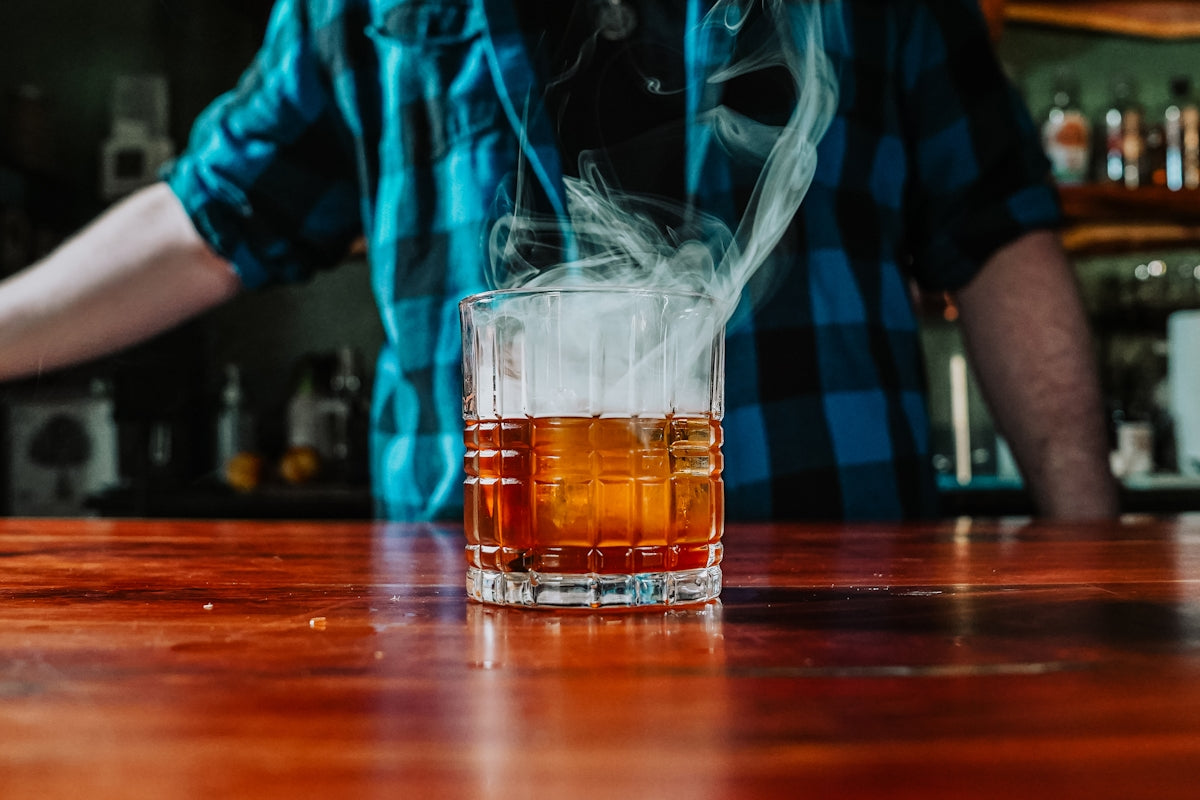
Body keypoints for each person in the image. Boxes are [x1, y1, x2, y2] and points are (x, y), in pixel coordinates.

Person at [0, 0, 1118, 521]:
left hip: (846, 603)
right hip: (471, 605)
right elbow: (210, 215)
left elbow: (997, 233)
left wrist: (1087, 543)